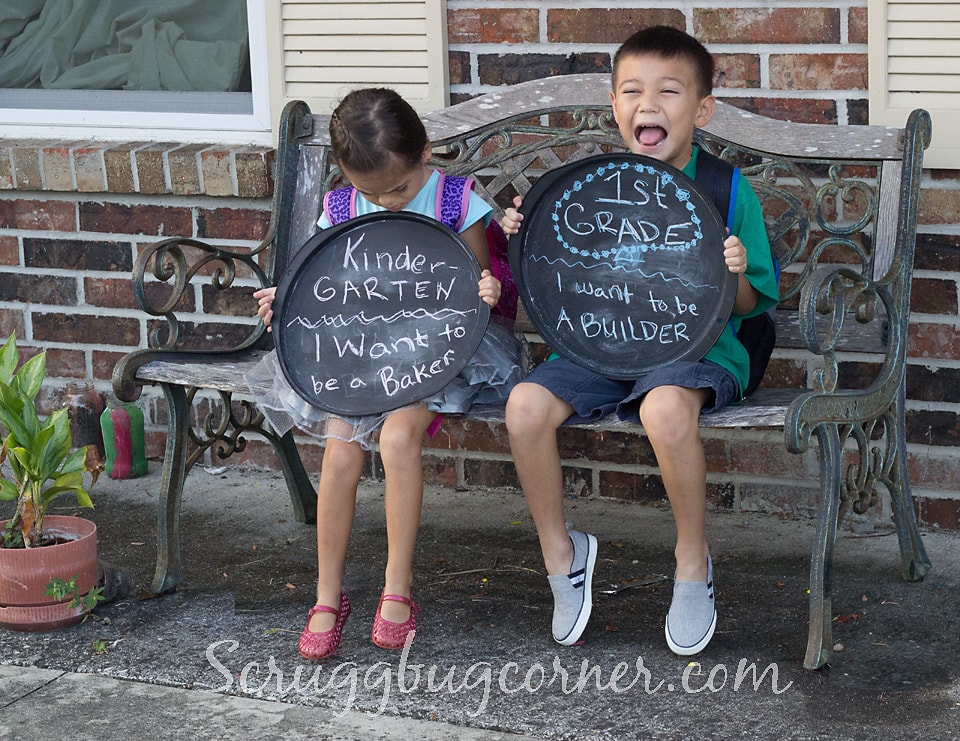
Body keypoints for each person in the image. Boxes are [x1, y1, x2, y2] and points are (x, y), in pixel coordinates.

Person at [501, 26, 779, 655]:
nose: (648, 104)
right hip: (603, 343)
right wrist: (524, 230)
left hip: (700, 349)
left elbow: (751, 303)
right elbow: (552, 276)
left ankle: (691, 558)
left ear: (701, 109)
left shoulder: (726, 189)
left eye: (668, 91)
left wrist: (734, 270)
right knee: (523, 406)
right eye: (632, 90)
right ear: (615, 104)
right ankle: (562, 555)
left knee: (661, 407)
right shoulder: (592, 183)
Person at [250, 88, 522, 660]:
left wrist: (490, 288)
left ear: (426, 153)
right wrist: (288, 300)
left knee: (399, 438)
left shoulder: (455, 201)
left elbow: (475, 279)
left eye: (398, 188)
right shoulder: (343, 210)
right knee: (340, 448)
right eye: (371, 192)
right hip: (360, 352)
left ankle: (397, 586)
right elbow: (329, 285)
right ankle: (328, 594)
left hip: (432, 349)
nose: (388, 202)